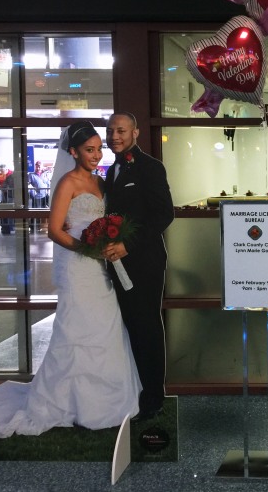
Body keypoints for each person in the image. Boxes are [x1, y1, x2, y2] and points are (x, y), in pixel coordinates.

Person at [0, 121, 140, 437]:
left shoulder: (101, 183)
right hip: (78, 267)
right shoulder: (67, 183)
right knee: (76, 328)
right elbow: (54, 229)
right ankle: (65, 401)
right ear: (73, 152)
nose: (96, 154)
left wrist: (108, 241)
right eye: (89, 150)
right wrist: (87, 248)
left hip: (99, 270)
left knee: (105, 325)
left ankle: (101, 401)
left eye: (99, 148)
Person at [104, 112, 174, 421]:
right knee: (129, 327)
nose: (114, 136)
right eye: (110, 131)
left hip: (144, 263)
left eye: (121, 130)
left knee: (147, 327)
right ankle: (136, 391)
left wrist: (127, 245)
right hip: (116, 265)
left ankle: (154, 398)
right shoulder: (111, 171)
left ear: (136, 132)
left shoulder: (151, 168)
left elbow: (163, 216)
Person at [28, 161, 50, 232]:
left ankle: (42, 226)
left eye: (40, 166)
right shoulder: (31, 175)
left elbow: (47, 183)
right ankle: (33, 227)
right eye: (37, 166)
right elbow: (28, 185)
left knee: (44, 211)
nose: (38, 167)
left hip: (45, 195)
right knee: (36, 212)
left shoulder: (44, 174)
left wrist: (48, 191)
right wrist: (33, 193)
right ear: (35, 166)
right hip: (37, 197)